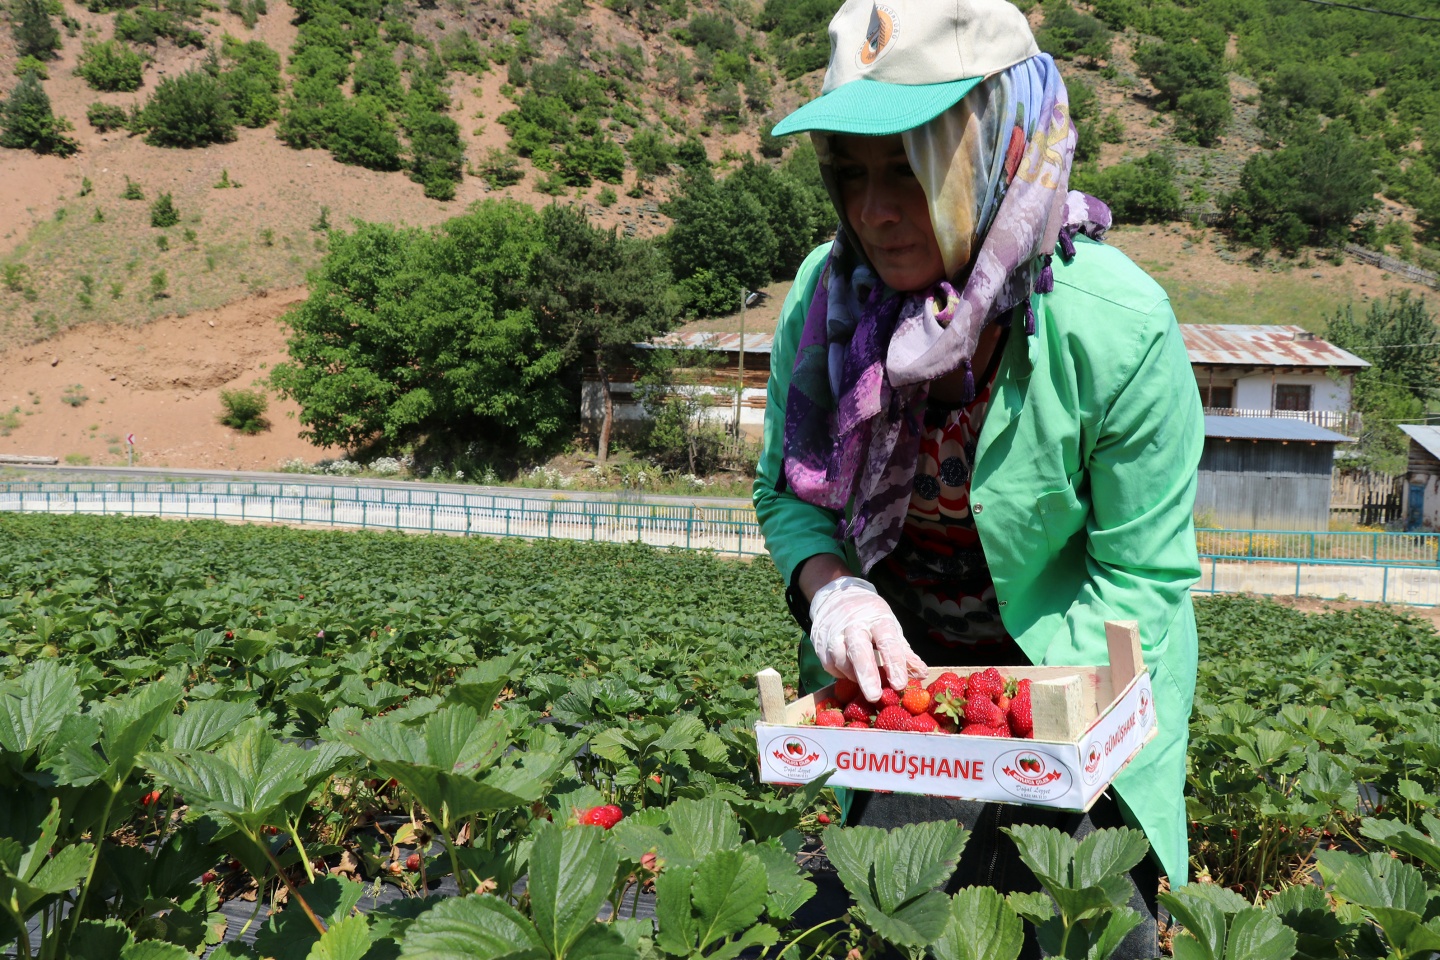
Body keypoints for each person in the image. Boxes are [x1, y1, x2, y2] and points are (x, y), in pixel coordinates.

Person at [752, 1, 1202, 956]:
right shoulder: (823, 300)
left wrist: (1015, 727)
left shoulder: (1116, 329)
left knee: (1087, 935)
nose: (876, 211)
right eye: (851, 172)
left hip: (1080, 705)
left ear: (998, 143)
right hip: (904, 702)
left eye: (910, 167)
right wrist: (835, 594)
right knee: (872, 925)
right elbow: (787, 494)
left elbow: (1144, 579)